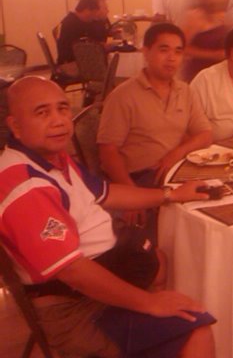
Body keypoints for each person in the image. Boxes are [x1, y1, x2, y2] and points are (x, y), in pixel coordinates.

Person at [0, 76, 216, 358]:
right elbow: (73, 272)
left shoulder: (53, 158)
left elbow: (107, 193)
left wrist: (170, 195)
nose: (59, 121)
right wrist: (149, 303)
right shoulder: (25, 187)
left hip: (96, 273)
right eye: (42, 113)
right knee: (196, 329)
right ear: (15, 126)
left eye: (62, 108)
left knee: (158, 260)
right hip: (73, 307)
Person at [97, 22, 213, 189]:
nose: (171, 58)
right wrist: (133, 193)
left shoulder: (185, 91)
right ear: (146, 52)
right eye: (164, 50)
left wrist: (177, 153)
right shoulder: (123, 95)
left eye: (178, 51)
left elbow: (205, 134)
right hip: (140, 177)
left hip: (176, 169)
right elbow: (108, 152)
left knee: (223, 184)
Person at [180, 0, 228, 82]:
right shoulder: (195, 16)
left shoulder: (224, 14)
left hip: (219, 76)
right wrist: (212, 55)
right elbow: (181, 47)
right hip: (199, 76)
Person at [56, 0, 102, 64]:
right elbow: (80, 50)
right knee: (102, 63)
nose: (94, 17)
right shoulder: (73, 24)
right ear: (87, 10)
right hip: (70, 63)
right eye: (94, 13)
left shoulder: (72, 19)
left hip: (68, 60)